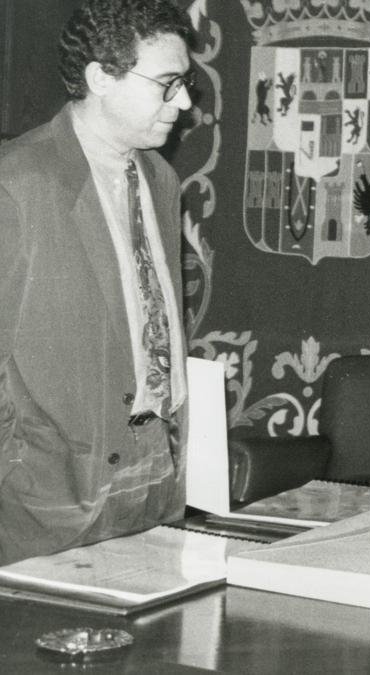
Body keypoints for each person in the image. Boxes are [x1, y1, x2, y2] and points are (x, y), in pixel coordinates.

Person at [0, 0, 194, 565]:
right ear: (100, 78)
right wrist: (20, 470)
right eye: (167, 83)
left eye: (185, 83)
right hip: (49, 500)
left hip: (156, 480)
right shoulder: (19, 181)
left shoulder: (160, 177)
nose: (183, 102)